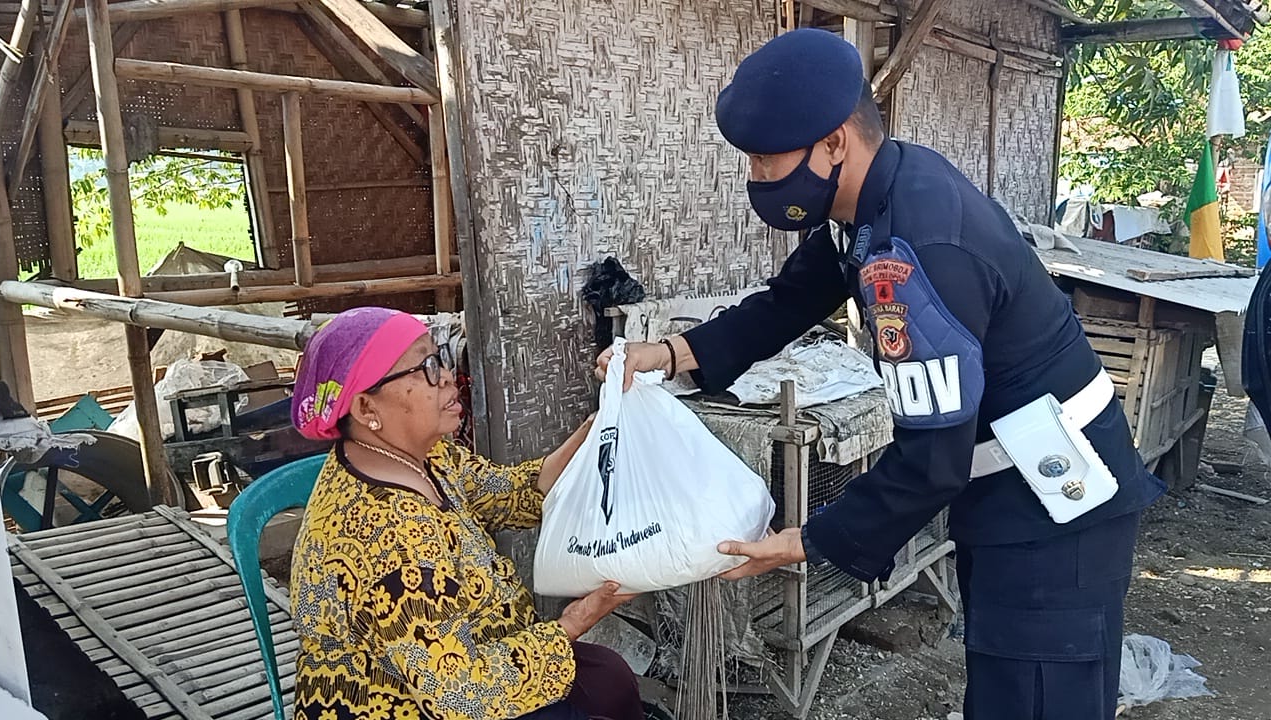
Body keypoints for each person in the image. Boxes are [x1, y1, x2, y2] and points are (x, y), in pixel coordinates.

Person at [597, 29, 1165, 720]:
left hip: (1055, 500)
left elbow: (931, 461)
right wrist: (673, 354)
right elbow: (790, 300)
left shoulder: (915, 247)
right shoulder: (874, 195)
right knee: (1004, 680)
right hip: (1011, 481)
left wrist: (808, 541)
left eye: (768, 161)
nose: (758, 180)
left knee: (1037, 694)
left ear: (836, 141)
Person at [288, 307, 646, 720]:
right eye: (424, 368)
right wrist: (574, 621)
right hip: (411, 703)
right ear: (368, 408)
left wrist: (600, 426)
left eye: (437, 357)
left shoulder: (426, 456)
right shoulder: (387, 536)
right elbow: (459, 697)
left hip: (476, 657)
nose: (444, 376)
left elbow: (516, 493)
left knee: (610, 679)